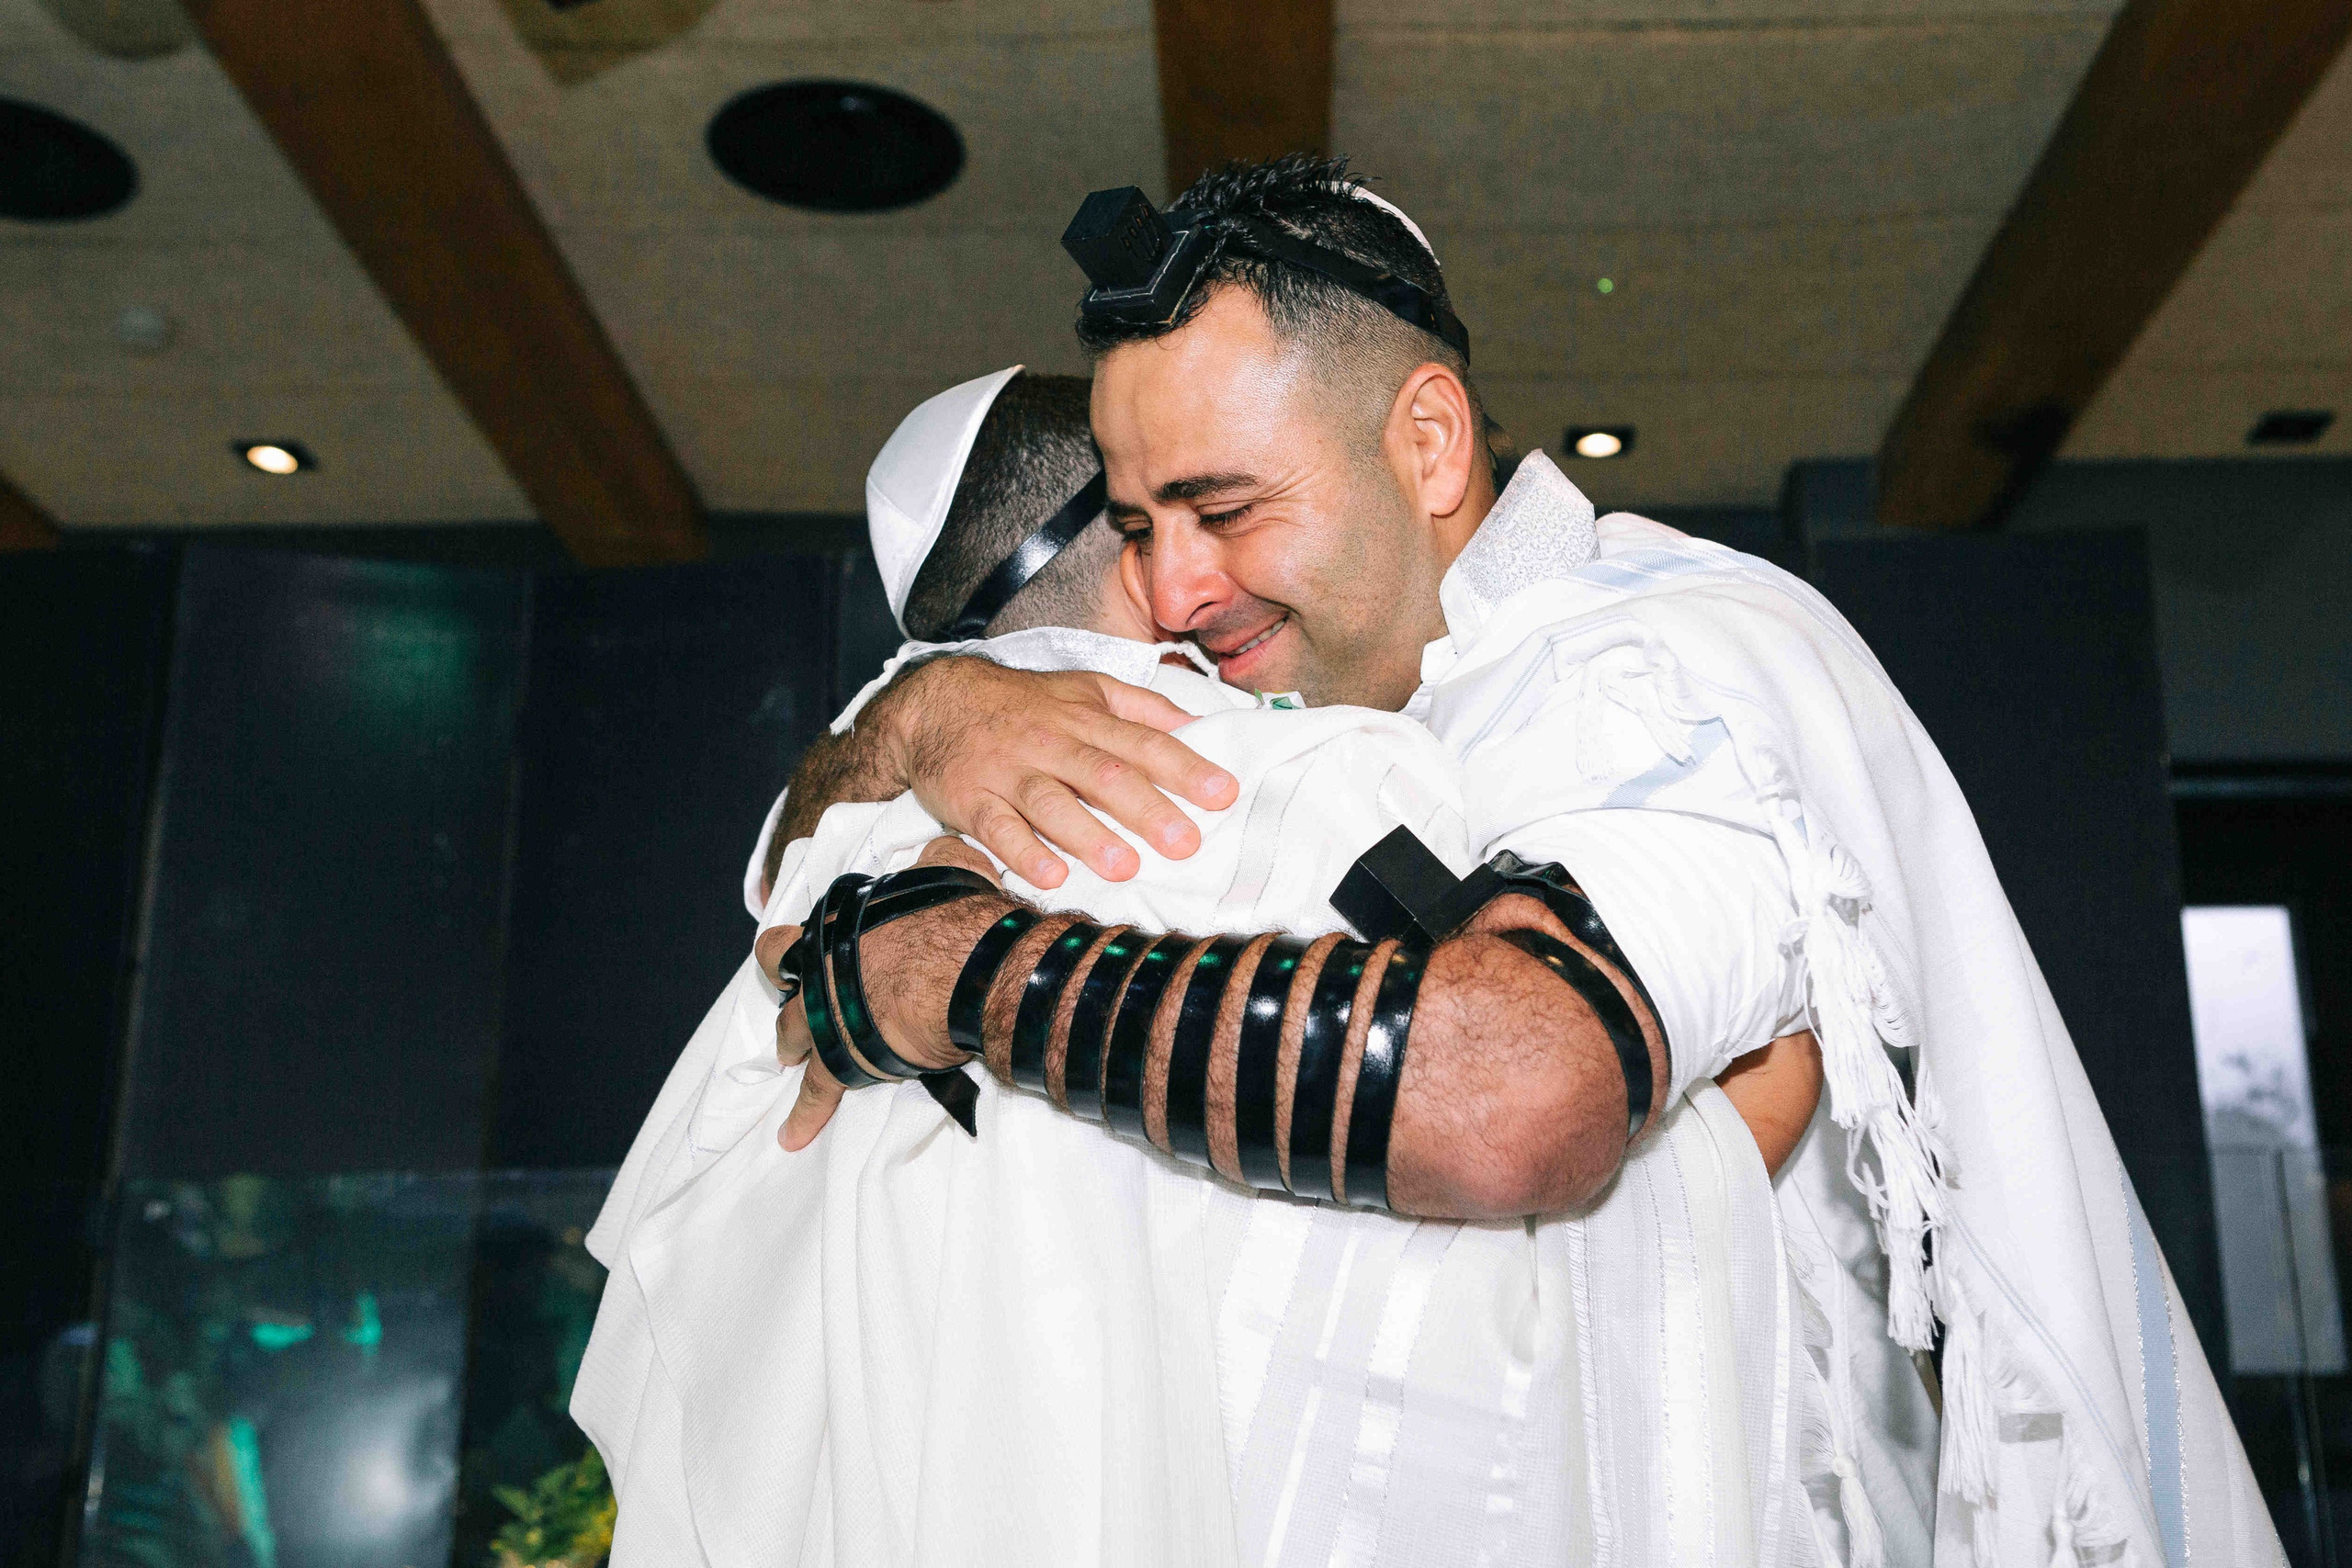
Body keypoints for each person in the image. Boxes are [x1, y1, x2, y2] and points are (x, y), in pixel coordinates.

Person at [764, 156, 2279, 1564]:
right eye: (1143, 523)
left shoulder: (1661, 670)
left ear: (1425, 441)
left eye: (1223, 510)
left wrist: (964, 971)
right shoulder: (1328, 714)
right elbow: (779, 900)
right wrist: (926, 709)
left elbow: (1510, 1094)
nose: (1170, 586)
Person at [579, 364, 1838, 1565]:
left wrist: (920, 714)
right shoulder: (1301, 790)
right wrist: (1727, 1145)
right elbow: (1465, 1227)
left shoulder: (830, 860)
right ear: (1141, 551)